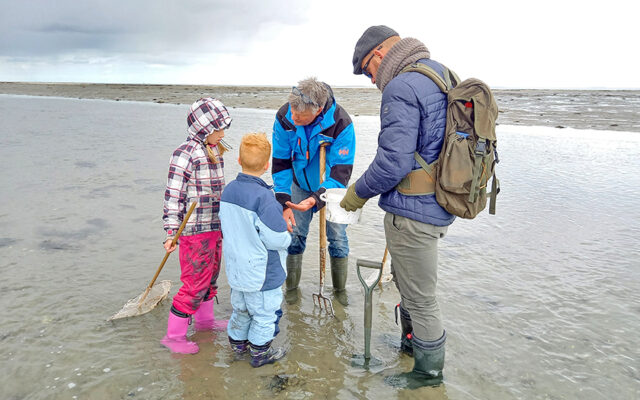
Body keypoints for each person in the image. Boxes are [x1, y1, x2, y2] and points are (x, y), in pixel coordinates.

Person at [342, 25, 456, 387]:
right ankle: (411, 347)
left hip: (413, 210)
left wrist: (356, 193)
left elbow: (393, 162)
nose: (371, 79)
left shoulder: (401, 86)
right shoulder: (440, 73)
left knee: (421, 300)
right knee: (413, 287)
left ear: (378, 55)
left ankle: (427, 375)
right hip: (441, 202)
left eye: (368, 70)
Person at [271, 77, 356, 305]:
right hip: (298, 184)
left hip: (332, 188)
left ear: (318, 110)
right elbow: (280, 162)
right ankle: (292, 289)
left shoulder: (341, 122)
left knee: (337, 238)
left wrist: (317, 198)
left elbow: (340, 173)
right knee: (295, 234)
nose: (294, 118)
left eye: (300, 116)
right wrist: (283, 200)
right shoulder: (284, 117)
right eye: (292, 112)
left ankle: (339, 292)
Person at [161, 98, 232, 354]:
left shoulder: (214, 151)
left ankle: (205, 323)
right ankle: (174, 336)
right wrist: (171, 230)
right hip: (194, 231)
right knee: (194, 283)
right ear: (204, 129)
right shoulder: (185, 154)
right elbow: (173, 195)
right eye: (218, 129)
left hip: (215, 227)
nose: (223, 134)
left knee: (211, 278)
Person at [219, 133, 291, 367]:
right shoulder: (265, 198)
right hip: (261, 273)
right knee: (264, 315)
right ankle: (260, 355)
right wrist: (288, 233)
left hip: (236, 269)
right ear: (267, 165)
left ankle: (238, 349)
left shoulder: (228, 191)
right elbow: (277, 239)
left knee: (240, 310)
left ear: (238, 160)